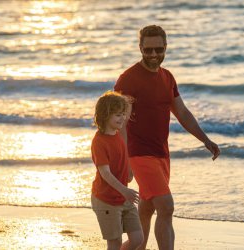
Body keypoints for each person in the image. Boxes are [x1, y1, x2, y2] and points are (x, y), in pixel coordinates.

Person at [114, 25, 221, 250]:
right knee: (166, 206)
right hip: (138, 153)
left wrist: (205, 139)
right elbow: (119, 123)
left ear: (166, 47)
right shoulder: (128, 79)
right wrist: (124, 161)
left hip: (161, 153)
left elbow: (181, 112)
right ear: (140, 48)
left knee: (147, 208)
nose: (153, 55)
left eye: (158, 49)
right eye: (148, 50)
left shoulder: (167, 77)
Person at [91, 91, 144, 250]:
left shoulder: (117, 135)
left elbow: (123, 155)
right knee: (114, 243)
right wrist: (124, 191)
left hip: (122, 197)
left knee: (137, 239)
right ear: (105, 115)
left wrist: (128, 168)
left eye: (123, 114)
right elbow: (105, 173)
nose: (122, 118)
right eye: (117, 115)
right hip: (106, 199)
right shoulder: (99, 141)